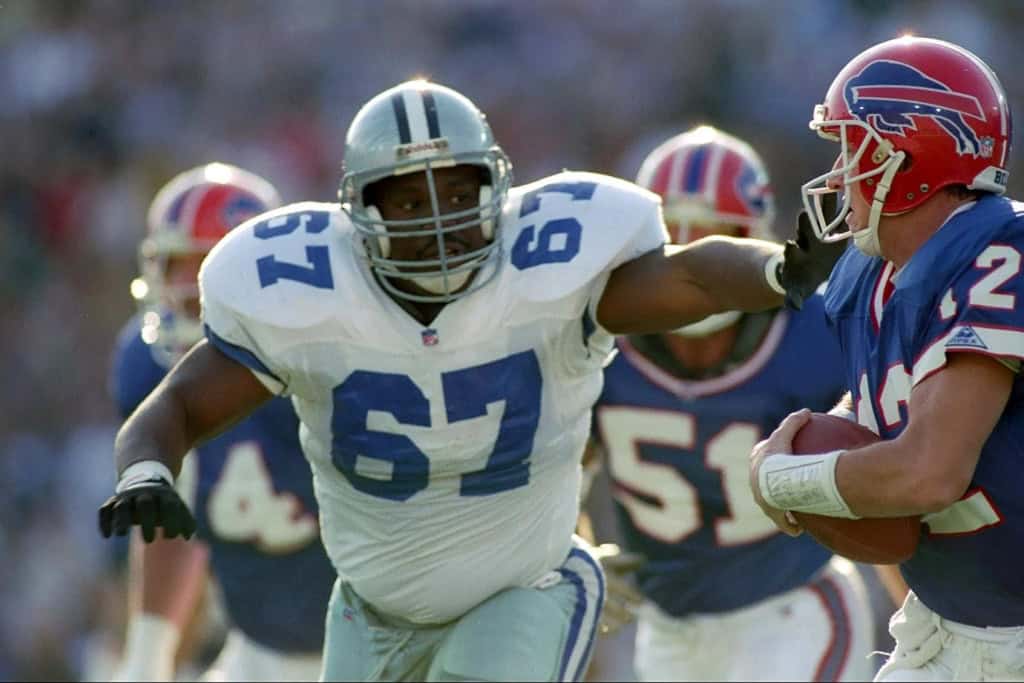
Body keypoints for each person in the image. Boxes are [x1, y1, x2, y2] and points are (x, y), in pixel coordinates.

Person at [98, 80, 841, 682]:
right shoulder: (308, 296)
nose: (442, 220)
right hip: (371, 606)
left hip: (524, 585)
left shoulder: (545, 269)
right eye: (412, 201)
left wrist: (774, 270)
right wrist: (146, 466)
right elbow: (180, 404)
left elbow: (689, 278)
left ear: (497, 187)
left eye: (458, 194)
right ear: (361, 214)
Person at [748, 37, 1024, 682]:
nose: (840, 173)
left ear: (907, 155)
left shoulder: (1001, 258)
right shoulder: (864, 275)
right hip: (945, 625)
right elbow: (882, 406)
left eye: (851, 148)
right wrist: (817, 435)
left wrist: (783, 478)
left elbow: (928, 474)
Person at [587, 125, 875, 681]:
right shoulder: (600, 344)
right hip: (669, 629)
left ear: (749, 240)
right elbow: (561, 473)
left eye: (713, 236)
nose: (693, 257)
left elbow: (886, 482)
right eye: (674, 237)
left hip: (792, 611)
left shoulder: (814, 334)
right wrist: (577, 560)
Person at [108, 163, 334, 681]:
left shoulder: (319, 362)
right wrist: (148, 654)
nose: (185, 288)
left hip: (374, 638)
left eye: (204, 264)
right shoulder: (146, 363)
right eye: (173, 265)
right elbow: (173, 513)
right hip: (261, 647)